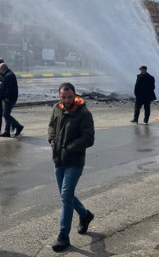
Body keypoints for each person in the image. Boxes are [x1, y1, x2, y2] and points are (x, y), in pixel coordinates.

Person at [48, 82, 95, 252]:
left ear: (75, 95)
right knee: (65, 195)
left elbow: (89, 138)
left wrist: (69, 147)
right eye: (63, 97)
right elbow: (51, 126)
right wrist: (52, 140)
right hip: (58, 160)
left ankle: (63, 235)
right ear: (59, 96)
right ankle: (85, 214)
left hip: (74, 162)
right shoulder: (57, 108)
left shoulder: (83, 113)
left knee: (66, 197)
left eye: (69, 97)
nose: (67, 100)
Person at [0, 62, 24, 137]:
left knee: (5, 115)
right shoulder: (8, 74)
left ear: (2, 69)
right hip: (10, 97)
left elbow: (8, 89)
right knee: (7, 114)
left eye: (0, 69)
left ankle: (18, 126)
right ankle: (7, 131)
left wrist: (1, 96)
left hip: (9, 98)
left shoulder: (8, 76)